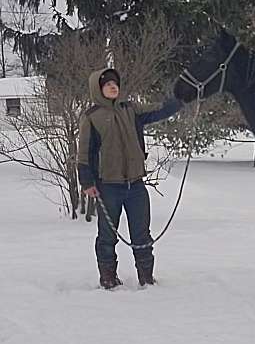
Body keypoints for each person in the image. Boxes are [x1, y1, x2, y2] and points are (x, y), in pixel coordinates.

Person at [78, 68, 183, 289]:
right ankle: (108, 277)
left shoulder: (130, 109)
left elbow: (157, 112)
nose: (113, 87)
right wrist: (87, 182)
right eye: (107, 85)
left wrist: (179, 100)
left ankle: (146, 276)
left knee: (142, 233)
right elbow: (84, 153)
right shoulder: (91, 117)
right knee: (107, 235)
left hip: (135, 184)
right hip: (108, 187)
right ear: (98, 89)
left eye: (115, 84)